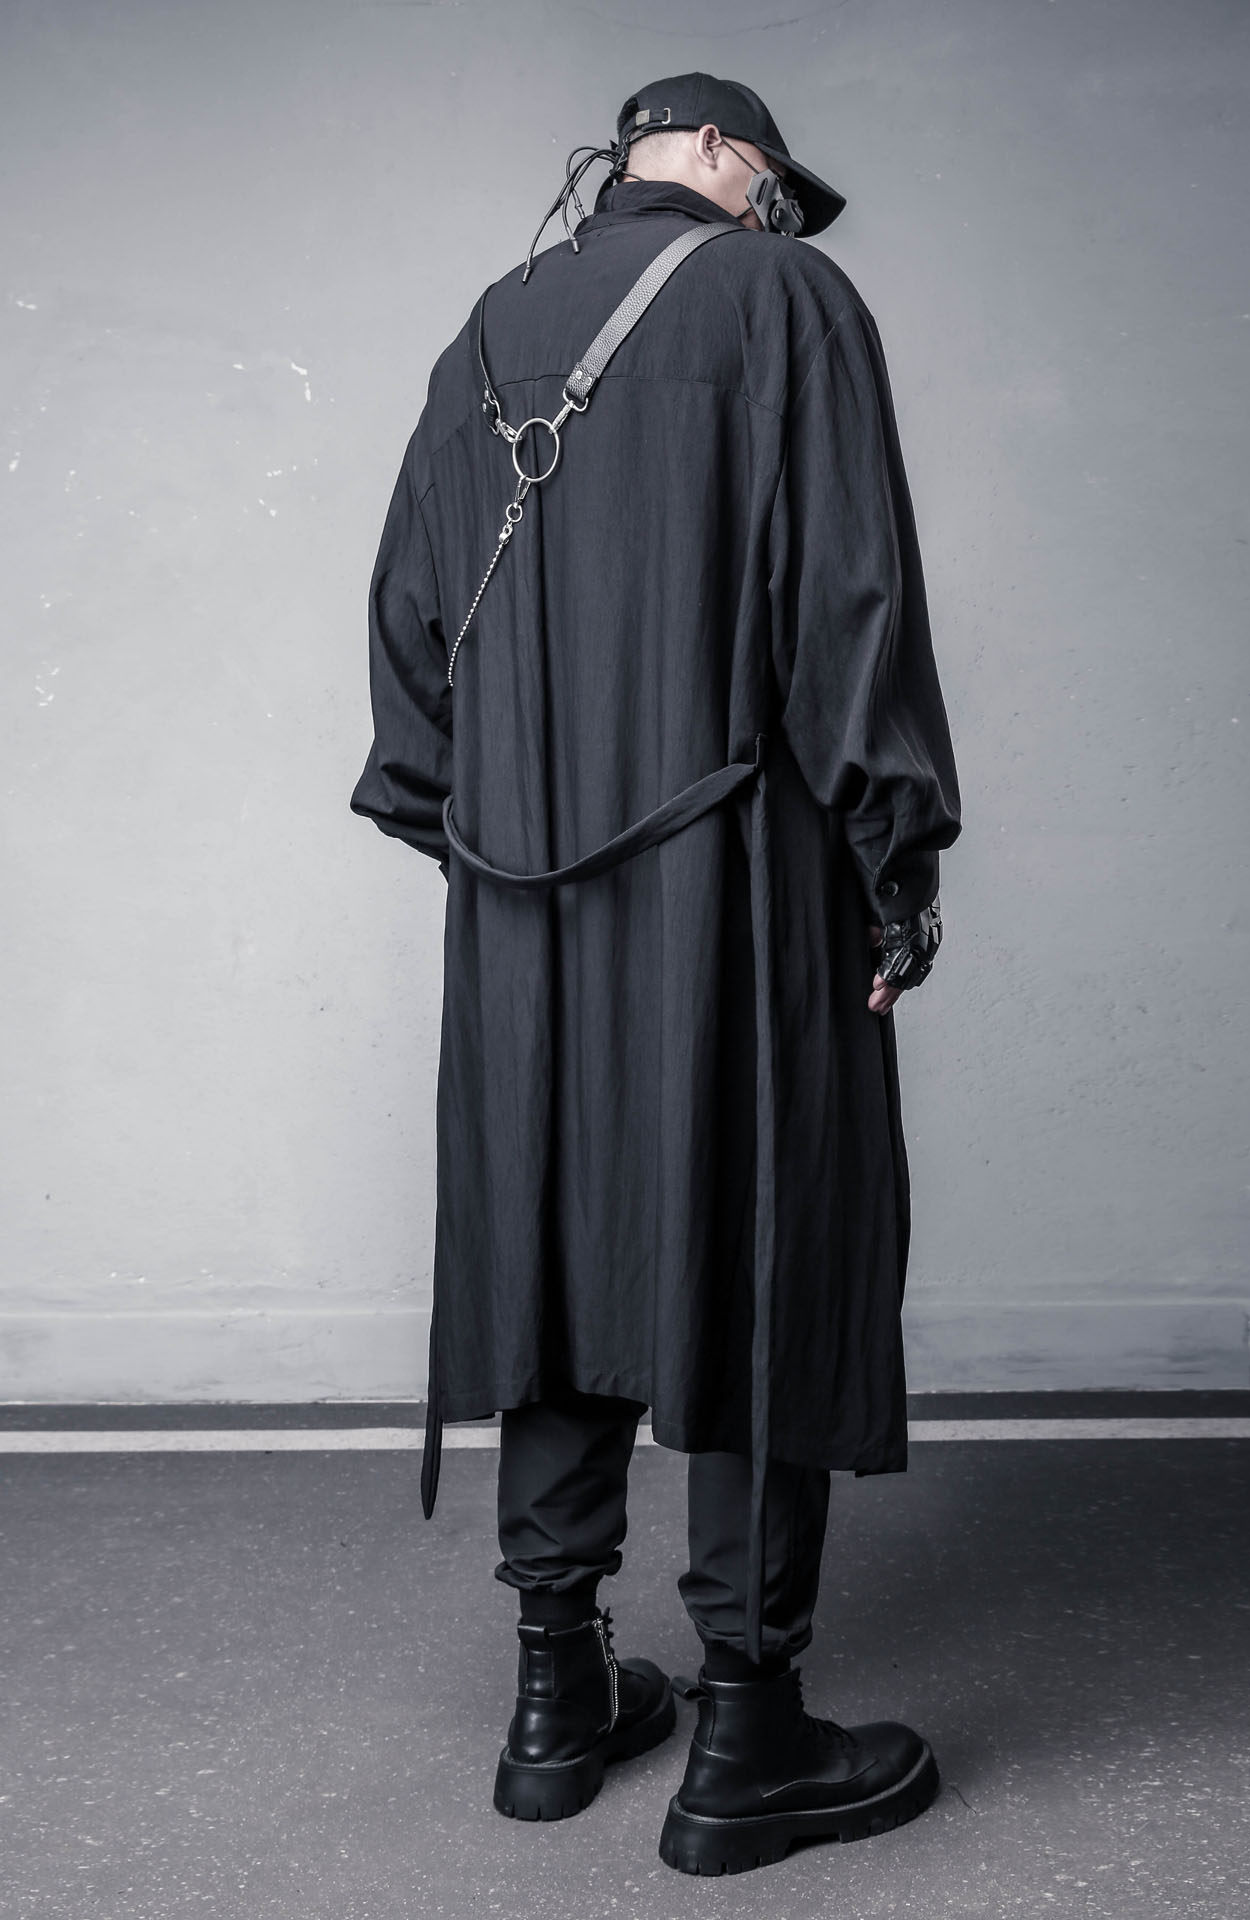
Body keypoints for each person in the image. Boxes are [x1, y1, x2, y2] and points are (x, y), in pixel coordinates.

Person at [350, 71, 962, 1876]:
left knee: (552, 1259)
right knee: (760, 1251)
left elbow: (407, 635)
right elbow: (852, 600)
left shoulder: (487, 331)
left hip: (524, 903)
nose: (778, 210)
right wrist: (893, 870)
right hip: (738, 880)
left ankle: (554, 1706)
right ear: (714, 155)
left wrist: (490, 846)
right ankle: (746, 1739)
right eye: (771, 179)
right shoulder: (787, 300)